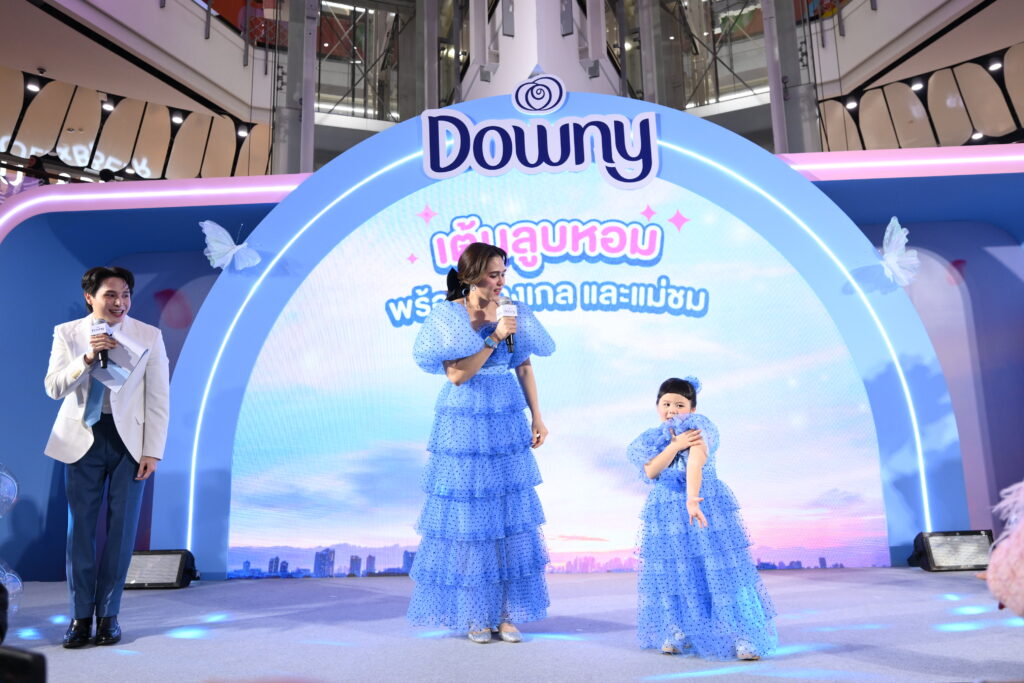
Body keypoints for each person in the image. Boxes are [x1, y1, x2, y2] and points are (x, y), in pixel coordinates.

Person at [407, 242, 555, 643]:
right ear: (470, 276)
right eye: (493, 274)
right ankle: (475, 613)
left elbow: (524, 366)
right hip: (465, 421)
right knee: (471, 521)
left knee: (508, 519)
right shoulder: (449, 315)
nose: (501, 281)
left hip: (505, 417)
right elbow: (457, 375)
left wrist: (537, 416)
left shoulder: (513, 310)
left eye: (504, 273)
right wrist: (493, 338)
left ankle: (505, 614)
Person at [43, 266, 169, 648]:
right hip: (83, 438)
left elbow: (158, 397)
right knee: (80, 532)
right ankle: (80, 617)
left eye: (125, 294)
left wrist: (152, 451)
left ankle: (109, 616)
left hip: (129, 442)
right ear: (90, 297)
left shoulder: (148, 335)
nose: (120, 302)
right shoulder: (68, 333)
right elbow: (53, 387)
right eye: (110, 295)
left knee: (122, 531)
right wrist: (87, 357)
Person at [627, 377, 776, 661]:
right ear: (657, 406)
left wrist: (692, 498)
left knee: (721, 573)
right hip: (666, 512)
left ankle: (743, 635)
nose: (672, 410)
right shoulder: (652, 438)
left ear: (692, 408)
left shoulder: (698, 427)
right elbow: (651, 471)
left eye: (679, 404)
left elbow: (696, 460)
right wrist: (674, 446)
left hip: (703, 505)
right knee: (676, 572)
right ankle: (680, 631)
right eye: (666, 403)